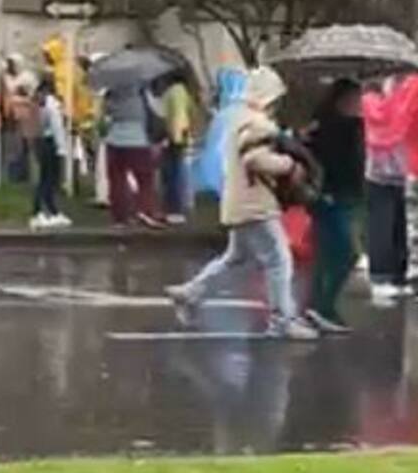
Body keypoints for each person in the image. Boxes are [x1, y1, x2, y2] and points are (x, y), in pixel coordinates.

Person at [167, 67, 318, 340]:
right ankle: (281, 320)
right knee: (279, 261)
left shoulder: (236, 120)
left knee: (236, 257)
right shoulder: (257, 124)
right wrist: (289, 166)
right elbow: (255, 159)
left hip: (238, 201)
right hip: (256, 204)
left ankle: (192, 292)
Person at [304, 78, 365, 333]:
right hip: (330, 196)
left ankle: (315, 306)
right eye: (355, 99)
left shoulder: (324, 125)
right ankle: (323, 306)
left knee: (326, 254)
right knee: (346, 253)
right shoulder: (339, 127)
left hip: (333, 196)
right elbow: (336, 164)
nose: (359, 103)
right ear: (342, 99)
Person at [363, 77, 418, 299]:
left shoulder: (395, 95)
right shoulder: (410, 88)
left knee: (395, 224)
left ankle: (390, 274)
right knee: (401, 225)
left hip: (398, 169)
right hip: (405, 167)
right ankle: (398, 273)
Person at [104, 84, 164, 228]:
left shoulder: (112, 93)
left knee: (117, 181)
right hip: (139, 140)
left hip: (115, 140)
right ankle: (144, 210)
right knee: (145, 179)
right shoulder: (143, 91)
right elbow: (157, 111)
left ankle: (120, 218)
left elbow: (107, 114)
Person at [31, 75, 71, 229]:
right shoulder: (52, 104)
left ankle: (48, 210)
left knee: (44, 178)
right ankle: (42, 211)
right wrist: (62, 148)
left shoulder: (38, 101)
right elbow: (57, 127)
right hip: (50, 143)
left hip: (40, 140)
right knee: (50, 179)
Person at [160, 70, 194, 224]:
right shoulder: (185, 92)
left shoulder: (171, 93)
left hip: (173, 137)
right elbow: (190, 113)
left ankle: (174, 210)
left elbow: (171, 116)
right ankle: (183, 204)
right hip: (183, 135)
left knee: (171, 175)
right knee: (180, 171)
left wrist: (172, 136)